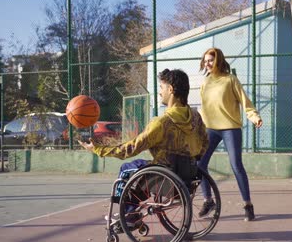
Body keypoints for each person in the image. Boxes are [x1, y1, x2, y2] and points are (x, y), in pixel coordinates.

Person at [78, 68, 208, 227]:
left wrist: (98, 149)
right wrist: (194, 158)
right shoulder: (196, 117)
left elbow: (131, 148)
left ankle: (127, 214)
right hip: (188, 178)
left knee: (127, 169)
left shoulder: (162, 123)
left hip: (165, 180)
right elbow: (205, 144)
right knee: (145, 172)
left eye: (161, 87)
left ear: (171, 89)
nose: (160, 92)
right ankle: (132, 212)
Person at [197, 47, 263, 222]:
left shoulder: (230, 80)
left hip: (230, 129)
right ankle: (208, 200)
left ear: (218, 60)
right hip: (210, 129)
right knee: (199, 165)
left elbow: (245, 102)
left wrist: (254, 117)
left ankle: (248, 205)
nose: (207, 63)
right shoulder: (205, 82)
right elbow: (204, 108)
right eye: (205, 60)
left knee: (236, 165)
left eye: (210, 60)